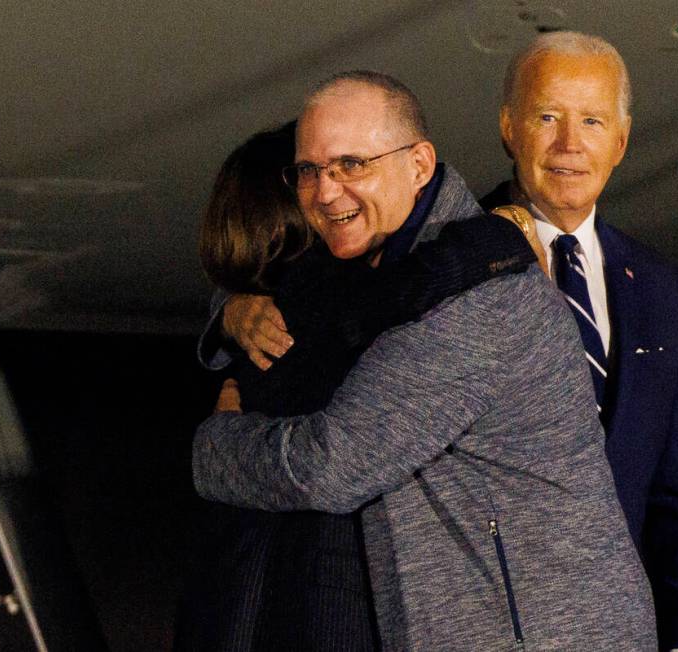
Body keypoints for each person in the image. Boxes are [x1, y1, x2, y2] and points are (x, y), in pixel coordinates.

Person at [193, 70, 657, 649]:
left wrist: (216, 446)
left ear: (417, 165)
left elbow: (331, 468)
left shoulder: (473, 304)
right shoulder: (384, 262)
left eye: (351, 165)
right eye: (309, 171)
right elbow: (286, 284)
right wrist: (230, 308)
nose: (326, 190)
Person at [182, 123, 544, 650]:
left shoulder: (253, 330)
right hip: (318, 610)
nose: (332, 190)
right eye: (312, 174)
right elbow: (413, 284)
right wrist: (500, 237)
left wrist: (228, 312)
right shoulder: (334, 312)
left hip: (225, 607)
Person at [479, 32, 678, 652]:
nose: (569, 144)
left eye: (591, 120)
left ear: (621, 140)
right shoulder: (449, 258)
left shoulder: (657, 285)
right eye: (548, 117)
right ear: (509, 127)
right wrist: (232, 314)